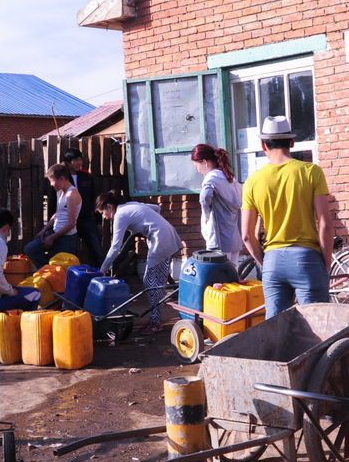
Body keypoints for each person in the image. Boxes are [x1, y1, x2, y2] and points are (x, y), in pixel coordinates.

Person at [240, 115, 339, 317]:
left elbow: (247, 236)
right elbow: (325, 224)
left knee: (275, 329)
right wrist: (326, 260)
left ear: (263, 144)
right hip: (307, 258)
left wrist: (264, 261)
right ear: (292, 142)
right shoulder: (311, 172)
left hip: (273, 261)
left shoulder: (252, 182)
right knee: (316, 325)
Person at [97, 191, 182, 335]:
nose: (104, 216)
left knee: (150, 282)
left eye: (102, 212)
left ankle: (155, 323)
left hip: (160, 239)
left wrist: (103, 267)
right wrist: (146, 227)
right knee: (158, 282)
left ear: (110, 206)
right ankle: (156, 319)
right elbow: (156, 208)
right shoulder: (130, 205)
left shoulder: (120, 215)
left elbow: (115, 247)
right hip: (167, 233)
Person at [192, 143, 243, 267]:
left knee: (218, 278)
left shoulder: (211, 178)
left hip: (218, 238)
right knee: (232, 274)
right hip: (234, 236)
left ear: (205, 162)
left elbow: (204, 197)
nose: (198, 170)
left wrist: (206, 213)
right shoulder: (229, 177)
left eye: (197, 166)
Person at [23, 163, 81, 267]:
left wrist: (52, 237)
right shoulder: (60, 192)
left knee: (62, 270)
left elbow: (71, 223)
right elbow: (58, 214)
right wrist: (44, 230)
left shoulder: (71, 195)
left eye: (52, 180)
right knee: (30, 249)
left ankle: (50, 274)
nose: (51, 184)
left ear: (62, 179)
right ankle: (46, 271)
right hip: (55, 233)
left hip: (66, 238)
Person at [65, 148, 105, 266]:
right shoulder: (62, 177)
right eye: (75, 160)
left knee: (96, 249)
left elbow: (94, 199)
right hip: (68, 220)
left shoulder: (86, 176)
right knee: (69, 252)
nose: (79, 163)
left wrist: (98, 221)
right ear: (67, 162)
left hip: (86, 218)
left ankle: (101, 275)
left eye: (80, 159)